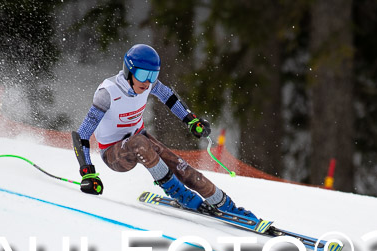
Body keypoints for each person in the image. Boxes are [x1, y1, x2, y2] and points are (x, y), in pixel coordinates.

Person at [73, 43, 257, 221]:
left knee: (181, 167)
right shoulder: (108, 92)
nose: (148, 82)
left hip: (140, 139)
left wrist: (191, 120)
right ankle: (180, 193)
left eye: (153, 75)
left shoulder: (148, 84)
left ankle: (227, 206)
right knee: (139, 142)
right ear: (129, 71)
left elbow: (169, 97)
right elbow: (82, 134)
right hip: (114, 154)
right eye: (143, 74)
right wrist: (88, 172)